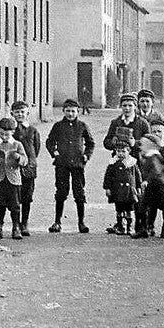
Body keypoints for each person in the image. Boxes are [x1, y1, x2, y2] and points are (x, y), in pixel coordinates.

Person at [46, 99, 94, 234]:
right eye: (68, 111)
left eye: (73, 111)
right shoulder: (58, 126)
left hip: (78, 165)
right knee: (61, 192)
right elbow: (50, 141)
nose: (70, 114)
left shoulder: (82, 126)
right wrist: (54, 153)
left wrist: (86, 155)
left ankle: (81, 222)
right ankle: (57, 222)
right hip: (62, 164)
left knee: (79, 193)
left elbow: (91, 143)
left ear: (78, 112)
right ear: (63, 111)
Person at [0, 117, 27, 240]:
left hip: (13, 179)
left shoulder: (17, 144)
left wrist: (17, 157)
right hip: (0, 179)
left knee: (15, 205)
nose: (4, 136)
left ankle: (16, 228)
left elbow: (25, 160)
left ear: (12, 132)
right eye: (2, 134)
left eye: (6, 134)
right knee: (1, 204)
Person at [10, 101, 41, 236]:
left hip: (28, 168)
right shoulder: (10, 130)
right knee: (14, 197)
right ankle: (15, 225)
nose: (20, 114)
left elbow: (36, 148)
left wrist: (30, 162)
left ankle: (24, 223)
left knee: (27, 197)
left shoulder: (33, 130)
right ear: (12, 114)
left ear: (27, 113)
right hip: (14, 168)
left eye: (22, 112)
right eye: (17, 112)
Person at [103, 139, 141, 235]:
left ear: (129, 151)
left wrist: (139, 187)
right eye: (118, 151)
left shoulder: (132, 163)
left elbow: (137, 176)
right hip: (118, 190)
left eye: (123, 151)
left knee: (129, 210)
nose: (121, 154)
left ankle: (129, 227)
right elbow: (108, 176)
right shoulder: (113, 163)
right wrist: (107, 188)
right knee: (119, 209)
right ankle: (120, 226)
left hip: (129, 191)